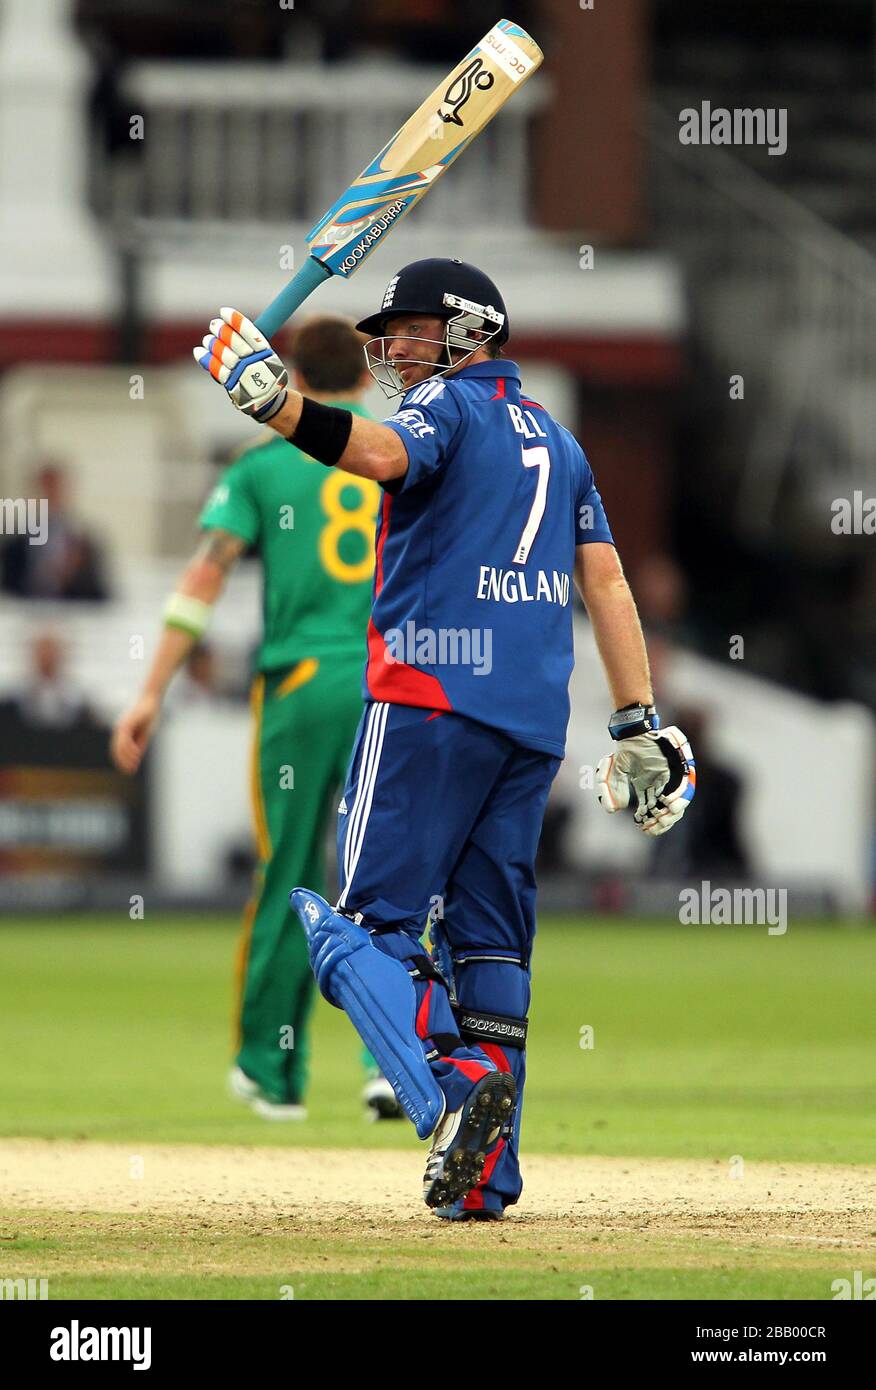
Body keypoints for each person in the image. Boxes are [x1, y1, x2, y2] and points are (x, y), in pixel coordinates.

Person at [191, 260, 696, 1218]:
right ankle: (486, 1183)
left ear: (468, 333)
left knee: (353, 934)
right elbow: (610, 587)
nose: (393, 349)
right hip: (529, 728)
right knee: (492, 951)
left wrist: (277, 406)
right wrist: (639, 721)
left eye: (412, 331)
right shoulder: (560, 440)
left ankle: (454, 1088)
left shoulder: (451, 411)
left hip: (424, 701)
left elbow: (379, 455)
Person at [112, 314, 400, 1121]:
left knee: (292, 876)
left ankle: (273, 1073)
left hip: (303, 684)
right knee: (397, 876)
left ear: (295, 380)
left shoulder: (265, 465)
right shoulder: (396, 448)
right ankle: (395, 1062)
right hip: (396, 682)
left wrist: (151, 691)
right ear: (365, 376)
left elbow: (206, 574)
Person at [1, 463, 110, 601]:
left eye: (56, 489)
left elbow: (101, 597)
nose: (51, 497)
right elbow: (7, 592)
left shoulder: (85, 544)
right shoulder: (13, 543)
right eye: (45, 490)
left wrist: (74, 573)